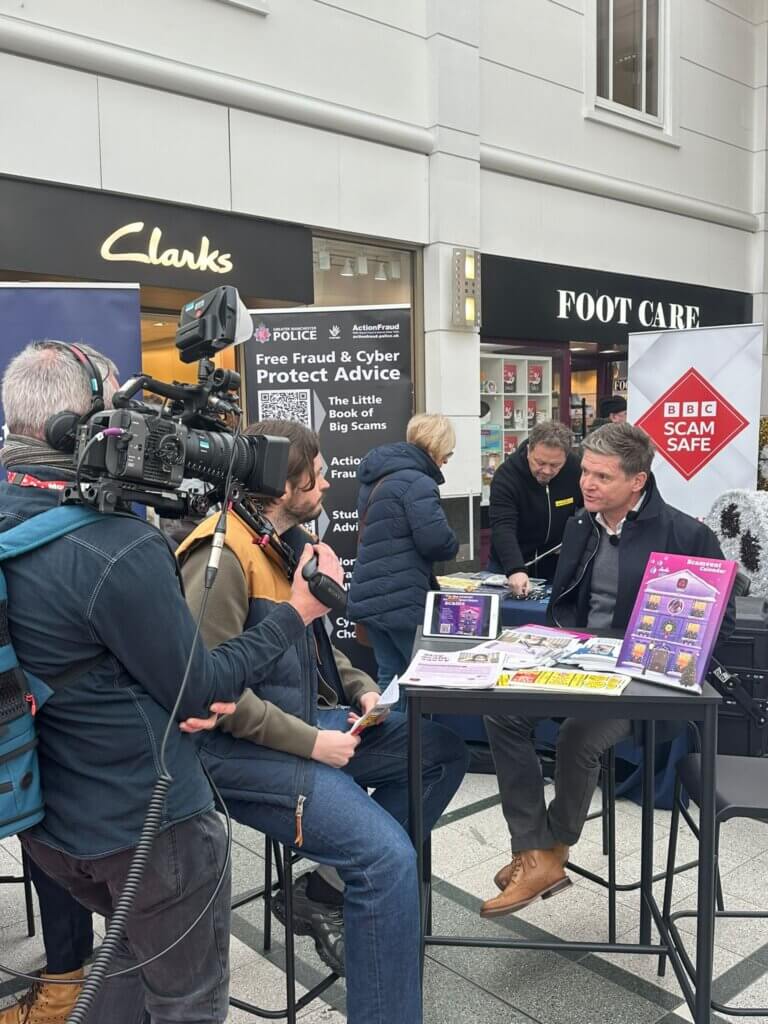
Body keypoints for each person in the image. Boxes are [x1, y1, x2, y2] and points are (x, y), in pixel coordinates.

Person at [0, 342, 331, 1024]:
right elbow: (202, 687)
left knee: (126, 966)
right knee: (186, 1000)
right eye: (123, 409)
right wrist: (296, 615)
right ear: (79, 427)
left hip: (46, 826)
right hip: (147, 838)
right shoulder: (113, 546)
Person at [175, 418, 468, 1024]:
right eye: (319, 474)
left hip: (304, 722)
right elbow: (210, 694)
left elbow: (313, 642)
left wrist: (360, 691)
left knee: (440, 751)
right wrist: (314, 744)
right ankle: (352, 894)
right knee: (387, 862)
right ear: (286, 486)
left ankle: (326, 886)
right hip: (241, 754)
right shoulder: (222, 555)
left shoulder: (273, 541)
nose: (329, 483)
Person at [481, 422, 735, 917]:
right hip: (580, 664)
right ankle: (535, 847)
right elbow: (568, 604)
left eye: (602, 476)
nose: (587, 483)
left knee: (579, 735)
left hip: (644, 682)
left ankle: (551, 851)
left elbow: (716, 622)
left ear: (637, 481)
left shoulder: (686, 534)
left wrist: (671, 655)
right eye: (587, 473)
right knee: (500, 712)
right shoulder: (582, 525)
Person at [348, 413, 459, 692]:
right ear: (437, 447)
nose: (446, 461)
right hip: (402, 597)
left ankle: (392, 734)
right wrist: (452, 542)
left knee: (390, 675)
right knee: (419, 680)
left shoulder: (377, 477)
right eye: (447, 453)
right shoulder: (418, 482)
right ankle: (414, 736)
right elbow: (434, 540)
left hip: (370, 593)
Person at [488, 420, 581, 596]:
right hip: (509, 563)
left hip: (556, 565)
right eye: (540, 462)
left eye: (555, 465)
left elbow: (592, 510)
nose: (546, 470)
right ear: (529, 450)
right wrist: (515, 569)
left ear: (566, 457)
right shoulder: (507, 476)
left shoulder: (575, 469)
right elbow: (503, 526)